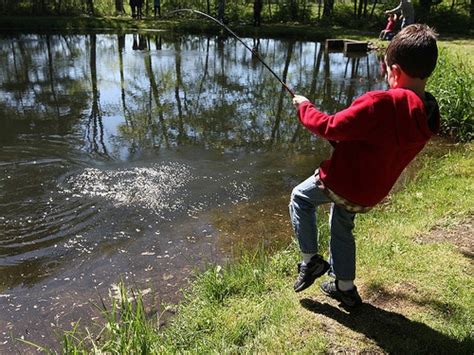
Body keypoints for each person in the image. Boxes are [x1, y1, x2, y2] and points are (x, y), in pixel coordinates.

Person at [290, 24, 439, 307]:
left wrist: (304, 106)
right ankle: (344, 287)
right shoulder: (429, 114)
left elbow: (329, 126)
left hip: (344, 182)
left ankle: (310, 261)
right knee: (342, 222)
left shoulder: (379, 103)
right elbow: (380, 144)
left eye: (386, 72)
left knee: (300, 198)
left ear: (394, 71)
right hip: (372, 191)